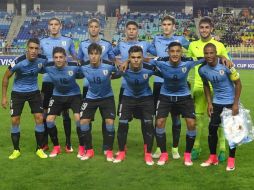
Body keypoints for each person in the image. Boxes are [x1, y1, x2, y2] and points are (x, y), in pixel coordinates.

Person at [150, 42, 205, 166]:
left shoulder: (188, 61)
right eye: (172, 51)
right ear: (168, 52)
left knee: (191, 123)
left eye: (177, 51)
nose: (175, 54)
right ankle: (163, 154)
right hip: (165, 96)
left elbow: (206, 58)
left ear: (181, 52)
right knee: (159, 122)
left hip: (184, 96)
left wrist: (223, 58)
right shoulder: (160, 61)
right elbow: (145, 60)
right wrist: (126, 62)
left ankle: (187, 155)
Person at [187, 17, 229, 161]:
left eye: (206, 27)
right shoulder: (192, 45)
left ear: (211, 28)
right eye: (202, 27)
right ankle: (196, 147)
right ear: (199, 29)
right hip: (200, 86)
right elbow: (187, 64)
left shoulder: (219, 45)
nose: (204, 30)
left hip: (219, 89)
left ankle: (222, 148)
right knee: (198, 119)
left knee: (220, 119)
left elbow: (226, 63)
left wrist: (223, 56)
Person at [151, 15, 190, 159]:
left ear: (174, 26)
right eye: (164, 24)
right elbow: (144, 52)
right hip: (159, 83)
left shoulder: (181, 40)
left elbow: (196, 50)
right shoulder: (156, 40)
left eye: (169, 24)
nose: (166, 27)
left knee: (176, 118)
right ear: (161, 26)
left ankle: (175, 148)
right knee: (159, 118)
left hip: (177, 84)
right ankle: (160, 149)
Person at [1, 38, 48, 159]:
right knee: (15, 120)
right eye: (31, 48)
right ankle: (16, 150)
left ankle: (39, 149)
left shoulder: (42, 60)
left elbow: (45, 70)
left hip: (34, 92)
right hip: (18, 93)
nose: (33, 51)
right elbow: (6, 78)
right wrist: (4, 97)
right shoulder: (18, 62)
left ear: (39, 49)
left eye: (36, 48)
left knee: (39, 118)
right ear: (27, 48)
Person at [113, 20, 155, 154]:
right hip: (126, 88)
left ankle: (146, 145)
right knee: (124, 119)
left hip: (142, 88)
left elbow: (156, 56)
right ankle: (122, 146)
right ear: (125, 30)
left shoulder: (144, 44)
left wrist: (144, 59)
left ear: (138, 31)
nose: (131, 31)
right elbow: (109, 54)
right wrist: (119, 62)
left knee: (145, 119)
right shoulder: (121, 44)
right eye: (129, 29)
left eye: (134, 29)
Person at [113, 46, 159, 165]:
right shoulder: (124, 68)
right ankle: (122, 152)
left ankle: (148, 154)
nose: (136, 60)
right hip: (128, 98)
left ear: (142, 58)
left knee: (148, 124)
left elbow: (165, 73)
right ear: (129, 58)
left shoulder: (149, 68)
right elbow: (113, 74)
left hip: (146, 98)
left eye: (139, 57)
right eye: (133, 57)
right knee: (122, 123)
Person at [199, 43, 242, 171]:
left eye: (212, 53)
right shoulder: (202, 69)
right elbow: (206, 85)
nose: (209, 55)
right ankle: (213, 158)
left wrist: (235, 104)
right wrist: (209, 103)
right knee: (212, 129)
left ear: (216, 52)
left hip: (230, 102)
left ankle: (231, 161)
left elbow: (238, 84)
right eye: (206, 53)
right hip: (217, 103)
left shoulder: (227, 65)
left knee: (231, 132)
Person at [78, 18, 117, 154]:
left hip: (104, 86)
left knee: (106, 119)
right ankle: (85, 147)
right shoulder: (82, 44)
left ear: (99, 28)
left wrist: (112, 71)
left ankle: (107, 147)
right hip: (88, 87)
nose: (93, 29)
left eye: (96, 26)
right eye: (91, 26)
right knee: (86, 120)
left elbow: (113, 60)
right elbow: (79, 61)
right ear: (88, 28)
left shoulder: (106, 44)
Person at [40, 17, 77, 153]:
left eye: (56, 24)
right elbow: (38, 60)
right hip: (47, 82)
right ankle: (45, 143)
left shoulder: (68, 41)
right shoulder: (43, 41)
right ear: (48, 26)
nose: (54, 27)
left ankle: (68, 142)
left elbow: (76, 59)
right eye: (51, 24)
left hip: (63, 83)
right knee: (45, 113)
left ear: (60, 26)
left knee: (65, 113)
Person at [42, 47, 82, 158]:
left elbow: (85, 72)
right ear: (53, 58)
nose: (58, 60)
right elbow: (36, 67)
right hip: (58, 96)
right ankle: (56, 147)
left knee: (78, 119)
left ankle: (82, 147)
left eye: (61, 57)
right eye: (56, 57)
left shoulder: (74, 67)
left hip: (74, 95)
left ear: (65, 58)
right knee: (49, 120)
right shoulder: (48, 67)